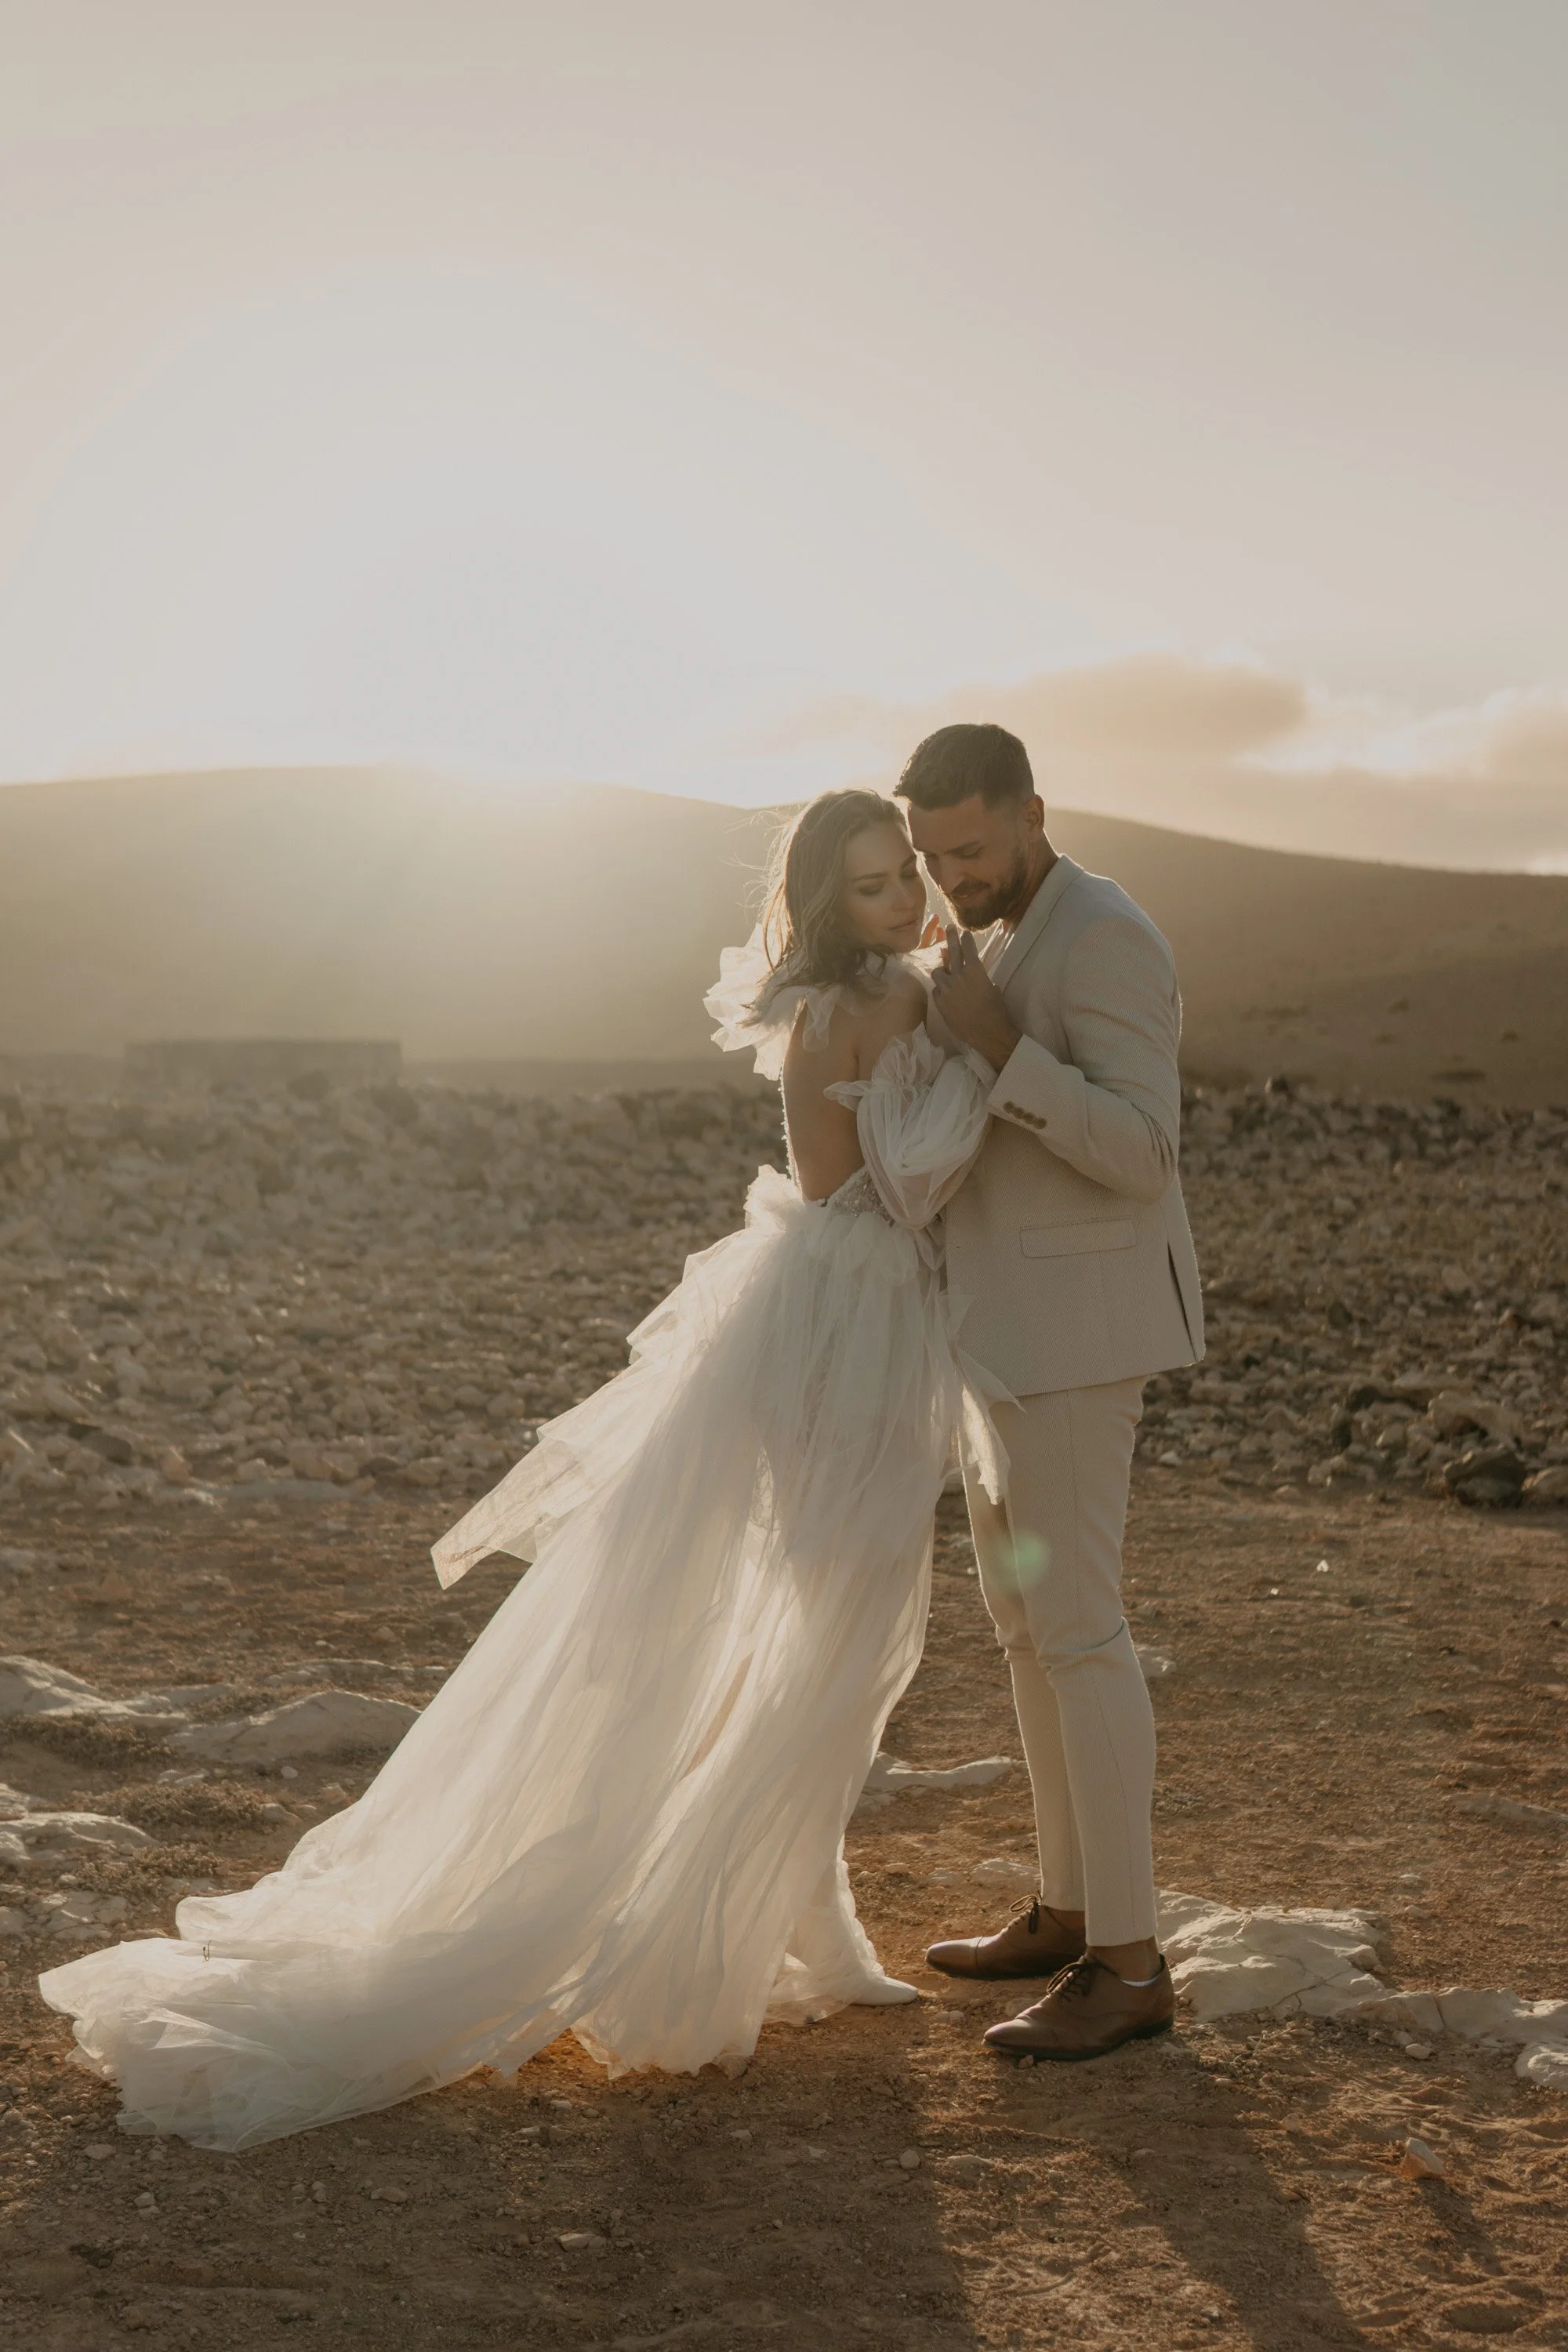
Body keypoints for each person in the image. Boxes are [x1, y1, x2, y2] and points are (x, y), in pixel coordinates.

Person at [39, 787, 1008, 2152]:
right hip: (849, 1331)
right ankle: (734, 1934)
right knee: (834, 1642)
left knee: (810, 1637)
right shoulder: (898, 1007)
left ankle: (803, 1921)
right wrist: (986, 1053)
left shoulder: (832, 1002)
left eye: (906, 869)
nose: (905, 895)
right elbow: (908, 1187)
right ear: (824, 901)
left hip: (811, 1312)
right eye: (870, 883)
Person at [901, 722, 1203, 2063]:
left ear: (1034, 812)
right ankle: (1069, 1906)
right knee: (1024, 1625)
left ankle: (1130, 1965)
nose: (949, 877)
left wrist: (995, 1046)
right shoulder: (992, 937)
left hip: (1081, 1337)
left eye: (969, 849)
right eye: (930, 856)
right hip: (997, 1338)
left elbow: (1143, 1150)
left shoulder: (1107, 933)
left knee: (1081, 1631)